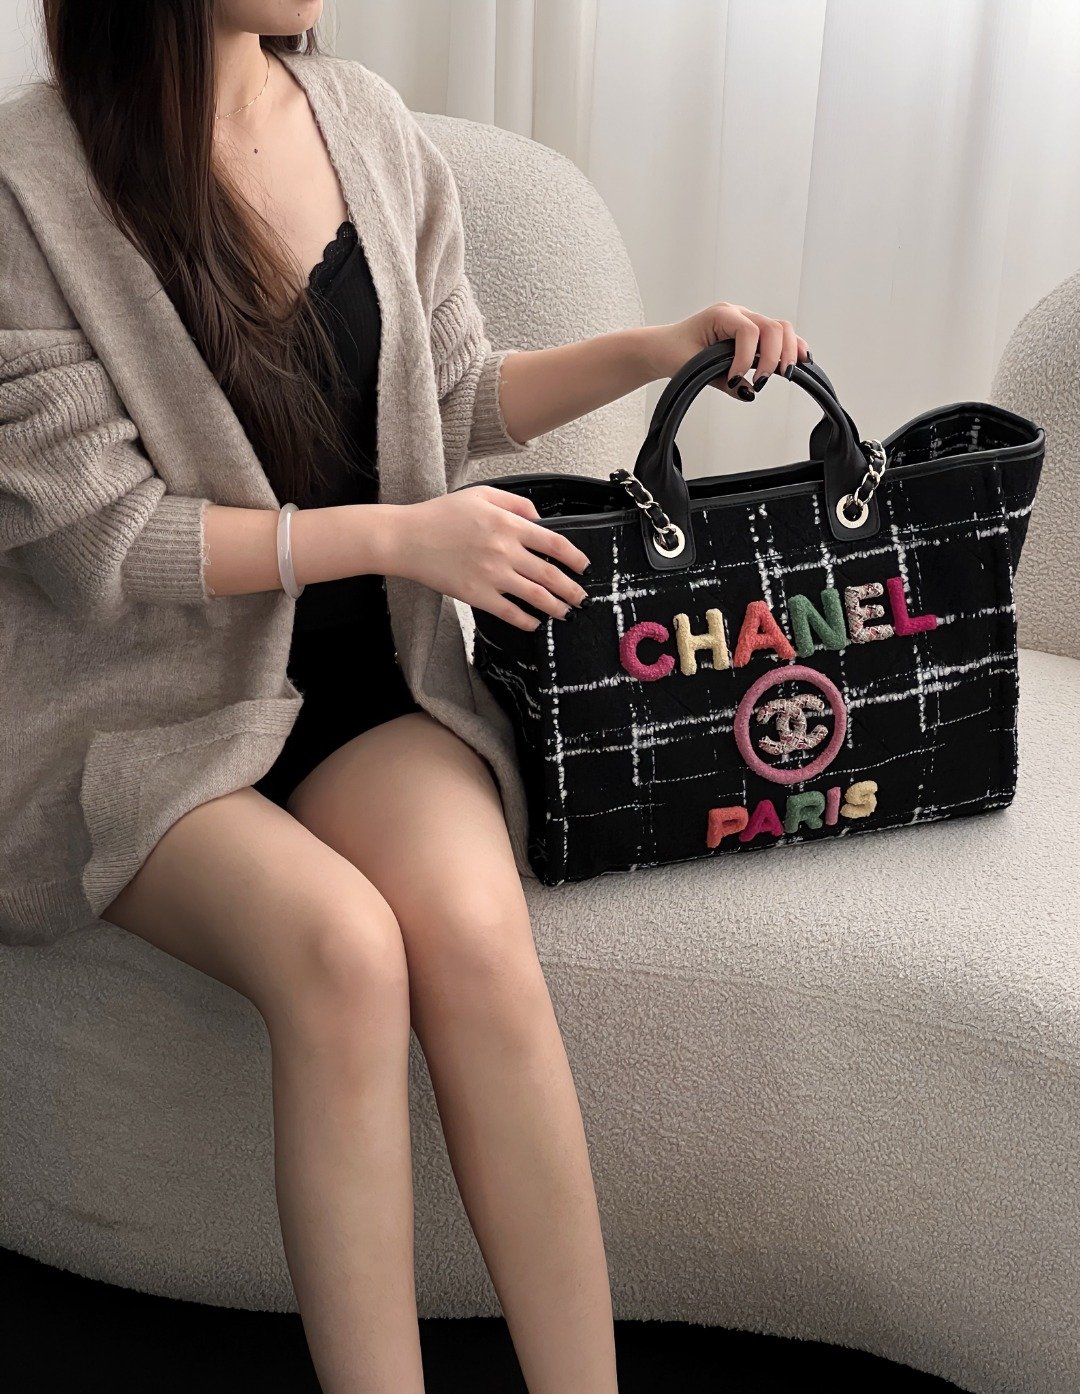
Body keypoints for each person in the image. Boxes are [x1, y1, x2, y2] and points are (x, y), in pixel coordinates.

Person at [1, 3, 809, 1390]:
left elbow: (450, 391)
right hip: (141, 712)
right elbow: (104, 543)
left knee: (478, 937)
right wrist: (397, 535)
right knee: (343, 952)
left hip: (371, 677)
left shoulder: (363, 122)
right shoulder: (28, 188)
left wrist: (657, 346)